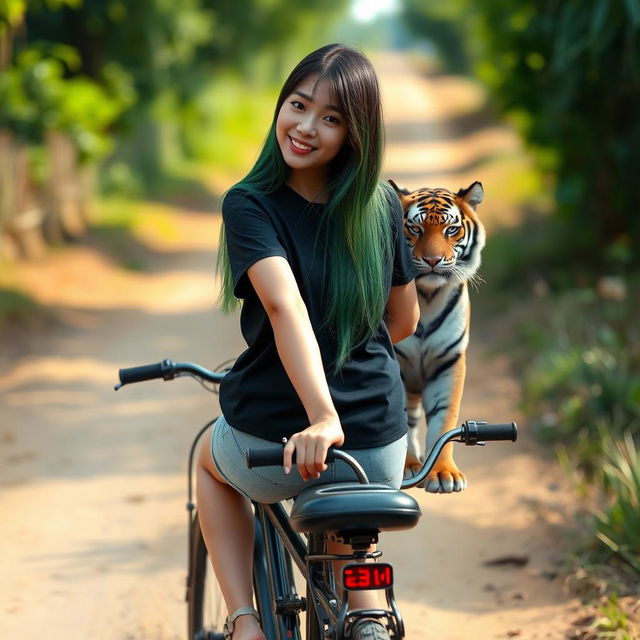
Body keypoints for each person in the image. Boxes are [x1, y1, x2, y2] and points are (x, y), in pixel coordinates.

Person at [196, 43, 419, 640]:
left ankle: (246, 622)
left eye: (331, 118)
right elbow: (404, 321)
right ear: (281, 103)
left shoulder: (250, 204)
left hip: (281, 441)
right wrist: (348, 368)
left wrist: (322, 416)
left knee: (208, 463)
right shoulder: (383, 205)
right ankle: (368, 616)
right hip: (379, 444)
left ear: (355, 133)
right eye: (299, 104)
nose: (305, 126)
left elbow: (281, 304)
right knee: (355, 567)